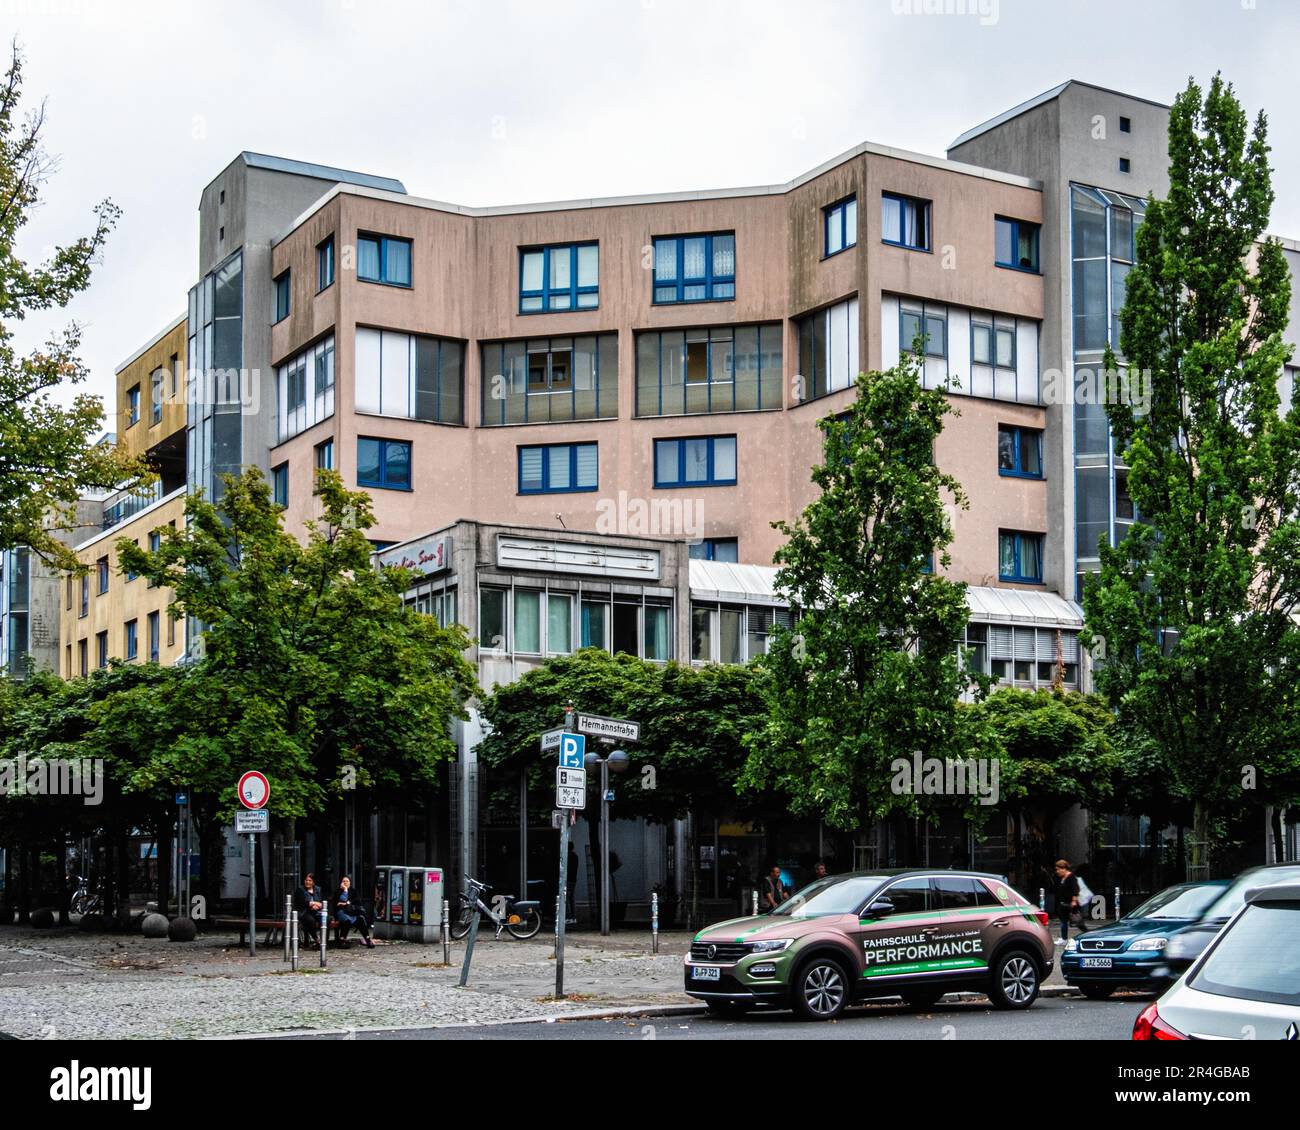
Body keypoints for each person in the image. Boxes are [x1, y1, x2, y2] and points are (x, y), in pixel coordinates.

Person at [1052, 859, 1087, 945]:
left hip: (1071, 904)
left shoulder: (1071, 877)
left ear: (1064, 868)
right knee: (1063, 922)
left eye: (1059, 869)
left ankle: (1088, 934)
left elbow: (1075, 889)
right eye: (1057, 869)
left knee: (1078, 922)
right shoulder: (1062, 878)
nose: (1057, 871)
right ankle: (1064, 939)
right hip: (1063, 904)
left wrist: (1074, 901)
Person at [334, 875, 374, 948]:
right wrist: (345, 890)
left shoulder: (353, 891)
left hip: (352, 913)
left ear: (350, 882)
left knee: (361, 920)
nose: (345, 882)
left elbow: (358, 901)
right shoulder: (338, 891)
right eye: (343, 881)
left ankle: (368, 940)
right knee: (347, 921)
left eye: (347, 881)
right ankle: (342, 941)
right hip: (341, 913)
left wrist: (347, 903)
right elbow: (339, 903)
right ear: (341, 883)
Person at [293, 873, 324, 945]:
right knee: (310, 920)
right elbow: (302, 903)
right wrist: (314, 903)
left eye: (310, 880)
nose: (307, 882)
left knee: (327, 919)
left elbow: (322, 901)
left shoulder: (318, 889)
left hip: (316, 911)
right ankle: (317, 939)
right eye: (306, 880)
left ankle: (324, 941)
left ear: (313, 882)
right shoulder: (300, 890)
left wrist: (318, 906)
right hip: (304, 912)